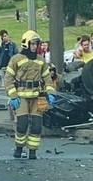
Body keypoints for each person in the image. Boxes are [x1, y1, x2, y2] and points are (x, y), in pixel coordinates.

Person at [4, 30, 57, 160]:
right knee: (22, 124)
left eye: (36, 44)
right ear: (26, 44)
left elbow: (47, 79)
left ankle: (32, 151)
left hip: (38, 97)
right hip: (21, 97)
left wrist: (51, 93)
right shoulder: (16, 59)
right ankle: (19, 148)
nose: (34, 46)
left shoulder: (41, 60)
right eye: (32, 43)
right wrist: (13, 96)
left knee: (37, 126)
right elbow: (8, 79)